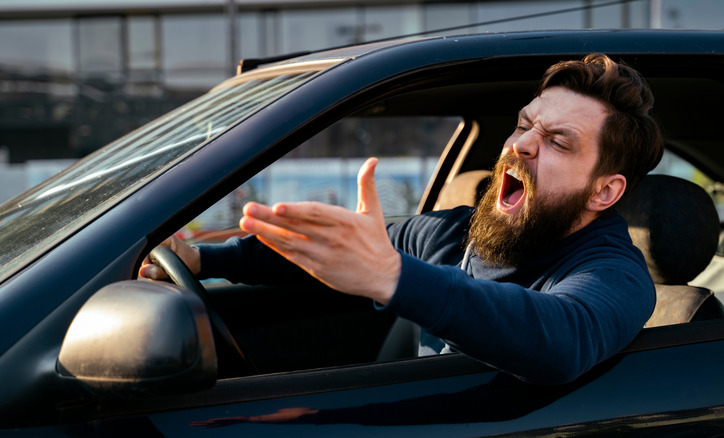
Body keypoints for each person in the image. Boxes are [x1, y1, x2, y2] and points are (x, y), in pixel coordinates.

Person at [141, 53, 664, 385]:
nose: (522, 144)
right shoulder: (451, 232)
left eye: (557, 142)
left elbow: (562, 341)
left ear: (604, 191)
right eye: (525, 126)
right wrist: (206, 257)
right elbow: (333, 249)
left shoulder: (615, 274)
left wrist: (392, 277)